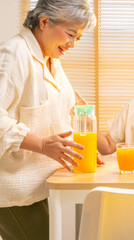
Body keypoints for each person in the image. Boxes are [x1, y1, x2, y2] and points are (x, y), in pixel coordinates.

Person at [0, 0, 96, 239]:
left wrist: (77, 148)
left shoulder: (52, 59)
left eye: (79, 38)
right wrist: (43, 145)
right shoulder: (15, 53)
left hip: (47, 185)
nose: (73, 44)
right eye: (71, 34)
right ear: (44, 22)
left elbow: (52, 116)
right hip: (16, 193)